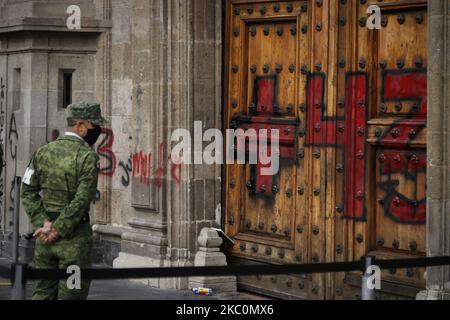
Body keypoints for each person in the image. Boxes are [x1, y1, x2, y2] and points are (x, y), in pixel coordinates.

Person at [21, 102, 106, 300]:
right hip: (74, 243)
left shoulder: (42, 152)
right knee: (72, 295)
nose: (99, 132)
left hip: (45, 241)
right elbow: (83, 198)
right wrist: (58, 229)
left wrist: (43, 224)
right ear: (81, 126)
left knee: (42, 293)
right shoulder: (87, 157)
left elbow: (27, 191)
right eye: (95, 126)